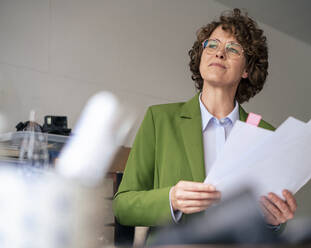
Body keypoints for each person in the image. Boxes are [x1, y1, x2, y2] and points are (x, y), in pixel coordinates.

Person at [113, 8, 297, 240]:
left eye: (233, 49)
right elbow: (123, 207)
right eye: (212, 45)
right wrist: (171, 199)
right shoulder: (159, 120)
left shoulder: (265, 134)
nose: (219, 53)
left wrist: (274, 222)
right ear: (200, 56)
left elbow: (270, 217)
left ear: (247, 70)